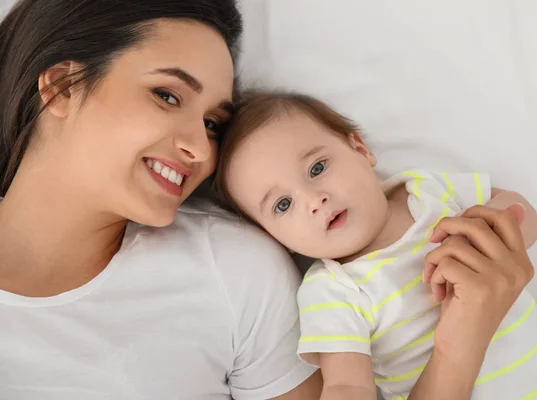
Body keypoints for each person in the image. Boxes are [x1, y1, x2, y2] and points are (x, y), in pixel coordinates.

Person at [0, 1, 325, 399]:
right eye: (167, 96)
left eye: (212, 124)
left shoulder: (235, 272)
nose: (201, 151)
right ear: (63, 88)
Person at [214, 90, 537, 399]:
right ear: (274, 239)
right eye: (283, 205)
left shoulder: (424, 189)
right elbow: (347, 384)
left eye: (317, 168)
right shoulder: (332, 290)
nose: (314, 200)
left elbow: (518, 209)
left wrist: (492, 232)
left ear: (360, 150)